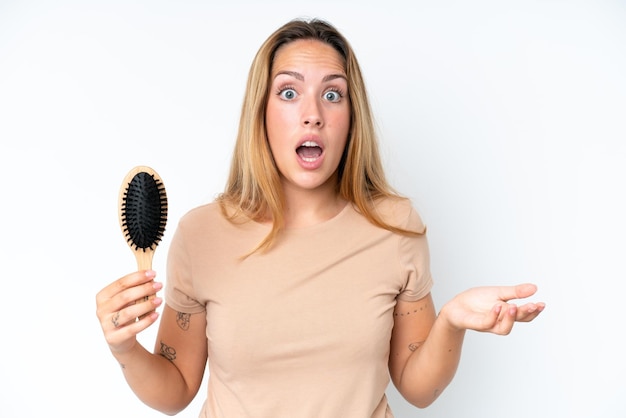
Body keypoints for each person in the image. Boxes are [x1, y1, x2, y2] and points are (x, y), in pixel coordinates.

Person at [96, 17, 545, 418]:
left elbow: (418, 388)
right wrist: (124, 349)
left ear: (352, 118)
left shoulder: (396, 226)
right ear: (262, 112)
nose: (312, 115)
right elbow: (175, 391)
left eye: (333, 95)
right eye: (289, 93)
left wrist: (450, 321)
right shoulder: (202, 234)